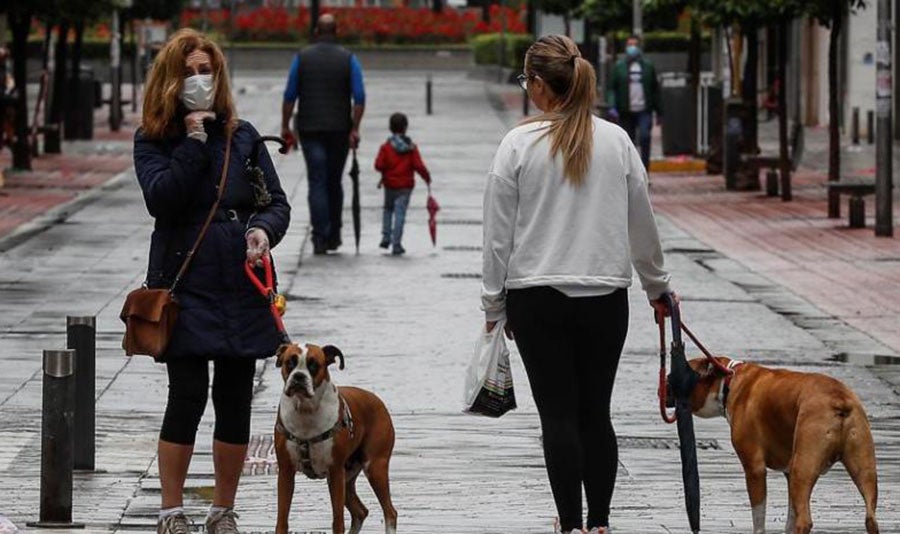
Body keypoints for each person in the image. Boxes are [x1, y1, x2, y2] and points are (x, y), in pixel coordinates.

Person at [482, 35, 675, 534]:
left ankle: (569, 524)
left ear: (542, 85)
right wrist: (658, 287)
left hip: (536, 296)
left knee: (558, 417)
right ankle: (601, 522)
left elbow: (496, 236)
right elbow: (642, 224)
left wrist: (493, 302)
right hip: (605, 298)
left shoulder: (517, 145)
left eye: (528, 81)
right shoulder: (617, 141)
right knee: (596, 413)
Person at [133, 29, 290, 534]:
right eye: (189, 72)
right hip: (185, 285)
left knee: (235, 397)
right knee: (186, 395)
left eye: (207, 71)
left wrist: (263, 231)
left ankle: (223, 508)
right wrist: (194, 141)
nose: (200, 81)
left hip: (241, 287)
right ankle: (170, 510)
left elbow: (276, 203)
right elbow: (163, 198)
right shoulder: (153, 138)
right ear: (170, 81)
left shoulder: (242, 136)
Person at [281, 14, 366, 255]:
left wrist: (285, 126)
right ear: (336, 31)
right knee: (334, 181)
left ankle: (319, 236)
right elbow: (359, 97)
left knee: (317, 181)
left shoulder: (302, 58)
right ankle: (334, 235)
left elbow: (289, 95)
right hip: (339, 129)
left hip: (310, 129)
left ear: (316, 32)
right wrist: (355, 127)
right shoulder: (349, 59)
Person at [374, 112, 431, 256]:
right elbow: (418, 166)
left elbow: (378, 165)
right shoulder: (411, 148)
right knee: (400, 214)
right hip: (405, 187)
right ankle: (396, 244)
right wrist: (427, 177)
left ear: (390, 128)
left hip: (389, 185)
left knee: (388, 210)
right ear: (405, 128)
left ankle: (386, 237)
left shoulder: (386, 147)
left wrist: (386, 169)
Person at [606, 35, 661, 170]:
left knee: (645, 136)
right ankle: (630, 171)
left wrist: (659, 111)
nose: (632, 48)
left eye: (635, 45)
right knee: (627, 142)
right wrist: (612, 106)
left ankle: (645, 169)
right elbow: (612, 88)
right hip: (626, 111)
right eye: (630, 45)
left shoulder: (648, 67)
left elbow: (655, 89)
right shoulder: (619, 67)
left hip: (644, 110)